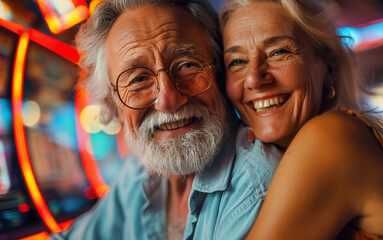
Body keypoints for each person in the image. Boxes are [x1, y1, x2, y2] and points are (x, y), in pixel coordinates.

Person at [49, 0, 284, 239]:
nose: (168, 99)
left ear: (220, 73)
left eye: (187, 65)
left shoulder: (256, 185)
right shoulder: (141, 174)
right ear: (114, 103)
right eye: (139, 79)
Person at [219, 0, 383, 239]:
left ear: (327, 67)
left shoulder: (330, 136)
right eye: (237, 62)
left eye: (279, 52)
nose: (254, 78)